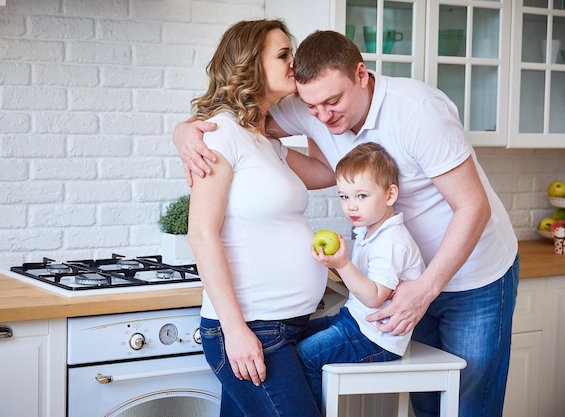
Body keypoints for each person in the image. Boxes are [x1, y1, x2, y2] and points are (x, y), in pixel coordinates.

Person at [173, 30, 519, 417]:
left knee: (468, 399)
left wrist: (424, 290)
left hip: (472, 275)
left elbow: (474, 207)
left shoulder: (418, 110)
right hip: (401, 280)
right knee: (428, 401)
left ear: (360, 74)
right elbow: (232, 119)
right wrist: (184, 130)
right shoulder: (305, 103)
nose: (322, 115)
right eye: (312, 107)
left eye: (332, 102)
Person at [185, 20, 334, 417]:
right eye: (283, 55)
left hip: (287, 326)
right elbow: (201, 233)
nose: (294, 62)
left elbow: (329, 171)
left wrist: (310, 105)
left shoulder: (264, 141)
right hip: (254, 329)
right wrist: (236, 331)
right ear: (251, 65)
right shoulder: (222, 135)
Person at [299, 142, 425, 408]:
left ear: (390, 195)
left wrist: (343, 263)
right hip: (356, 322)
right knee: (290, 335)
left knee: (304, 356)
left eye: (361, 196)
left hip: (375, 338)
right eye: (344, 197)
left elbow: (374, 297)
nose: (350, 206)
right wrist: (335, 263)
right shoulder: (371, 231)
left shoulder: (391, 242)